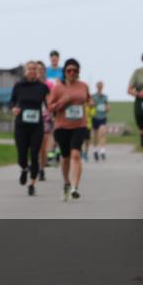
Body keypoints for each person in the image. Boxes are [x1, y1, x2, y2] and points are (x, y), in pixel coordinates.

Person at [49, 58, 90, 201]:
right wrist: (62, 101)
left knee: (75, 155)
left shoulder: (84, 86)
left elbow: (88, 100)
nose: (72, 72)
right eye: (69, 70)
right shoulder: (58, 87)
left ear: (78, 72)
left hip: (79, 126)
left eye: (75, 70)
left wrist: (90, 103)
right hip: (62, 127)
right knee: (65, 157)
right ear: (64, 72)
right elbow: (50, 107)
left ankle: (74, 188)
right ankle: (66, 182)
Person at [8, 61, 50, 195]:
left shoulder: (42, 87)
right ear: (25, 71)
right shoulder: (19, 86)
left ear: (38, 72)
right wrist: (13, 108)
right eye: (29, 69)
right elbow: (12, 101)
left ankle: (32, 184)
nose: (32, 71)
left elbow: (49, 103)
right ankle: (24, 169)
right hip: (21, 125)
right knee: (21, 154)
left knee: (34, 154)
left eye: (34, 69)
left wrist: (53, 111)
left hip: (37, 126)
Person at [44, 50, 63, 166]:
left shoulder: (62, 71)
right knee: (50, 128)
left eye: (56, 58)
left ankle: (57, 151)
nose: (54, 60)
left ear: (58, 59)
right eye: (52, 58)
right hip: (48, 101)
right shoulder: (46, 71)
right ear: (50, 59)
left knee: (58, 127)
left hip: (59, 102)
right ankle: (50, 153)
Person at [92, 81, 110, 160]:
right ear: (96, 87)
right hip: (95, 116)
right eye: (98, 86)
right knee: (95, 135)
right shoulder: (93, 96)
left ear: (102, 87)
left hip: (102, 117)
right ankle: (95, 149)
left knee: (102, 132)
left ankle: (102, 150)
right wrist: (92, 104)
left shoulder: (105, 96)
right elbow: (90, 104)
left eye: (101, 86)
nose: (99, 87)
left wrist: (107, 108)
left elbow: (107, 106)